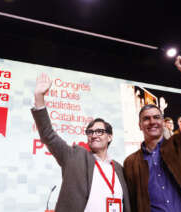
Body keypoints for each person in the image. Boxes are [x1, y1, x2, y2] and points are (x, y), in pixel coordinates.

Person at [123, 55, 181, 212]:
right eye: (146, 119)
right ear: (139, 125)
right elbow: (132, 203)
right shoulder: (131, 163)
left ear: (163, 122)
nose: (152, 122)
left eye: (156, 117)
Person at [31, 73, 131, 212]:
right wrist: (39, 97)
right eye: (90, 132)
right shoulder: (75, 156)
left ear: (110, 137)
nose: (94, 135)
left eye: (99, 131)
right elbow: (48, 135)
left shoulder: (119, 169)